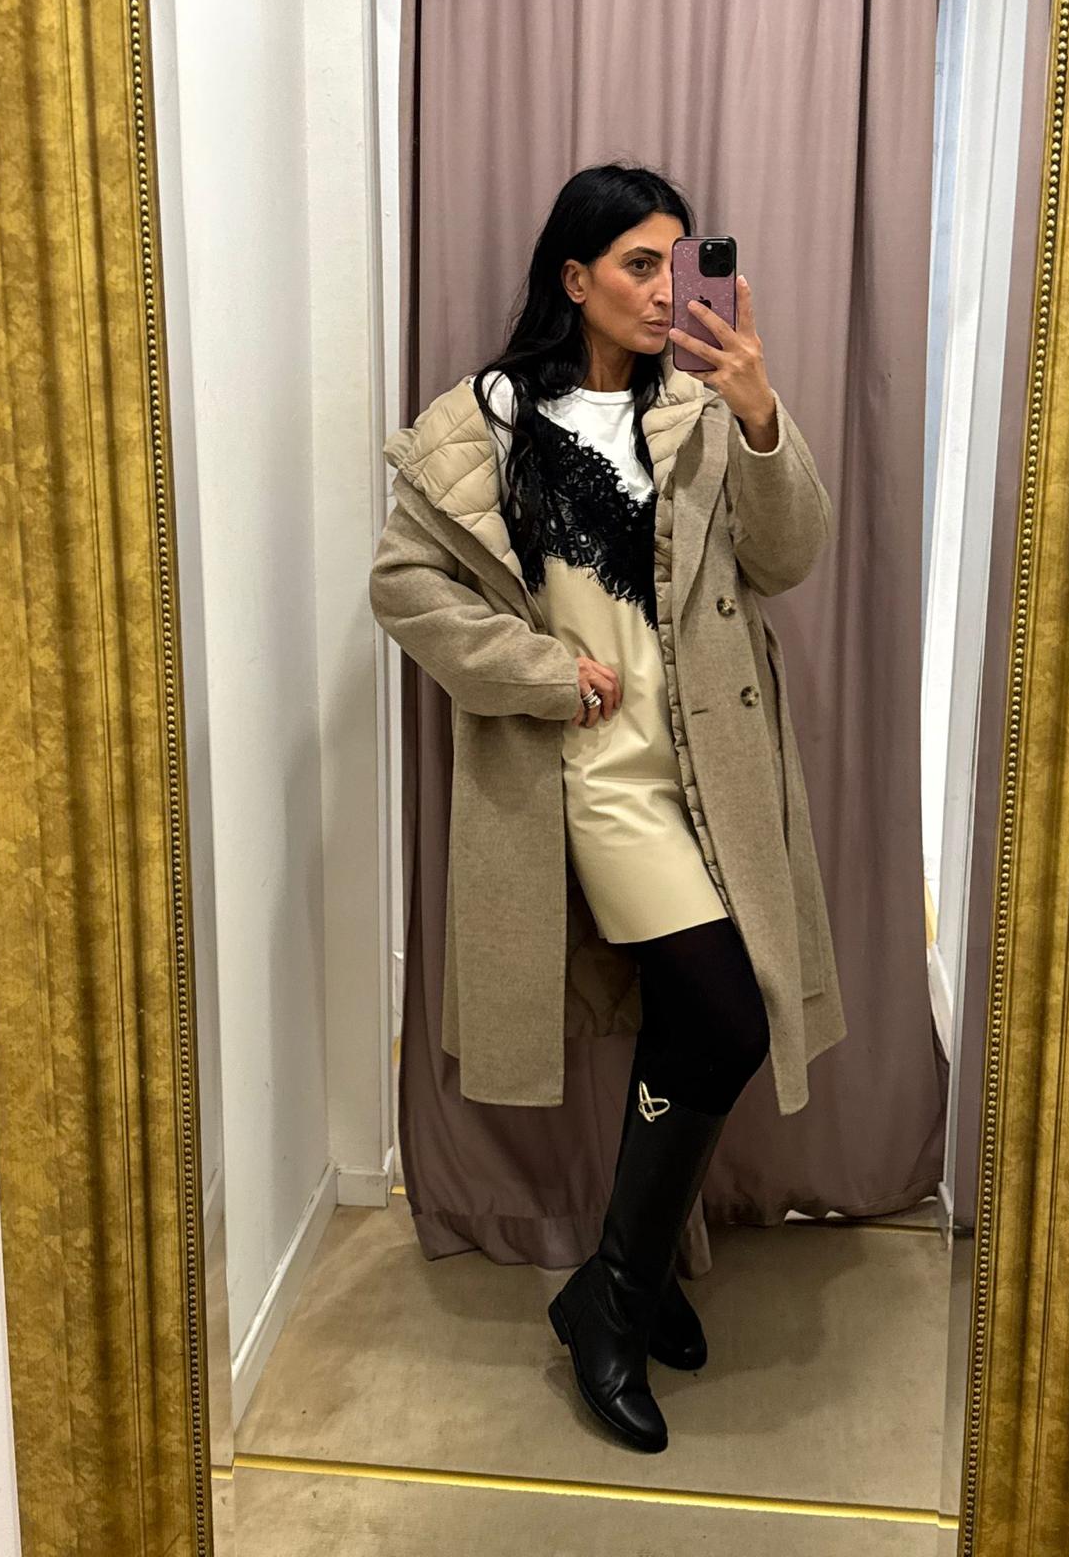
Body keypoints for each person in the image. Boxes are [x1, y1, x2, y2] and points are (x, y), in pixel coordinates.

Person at [369, 163, 843, 1455]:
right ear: (573, 278)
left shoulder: (700, 408)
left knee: (703, 1026)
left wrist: (759, 412)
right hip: (589, 776)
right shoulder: (484, 423)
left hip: (715, 768)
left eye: (675, 263)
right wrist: (538, 671)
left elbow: (788, 556)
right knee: (724, 1016)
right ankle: (617, 1296)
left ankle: (617, 1285)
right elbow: (405, 588)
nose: (662, 288)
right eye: (637, 263)